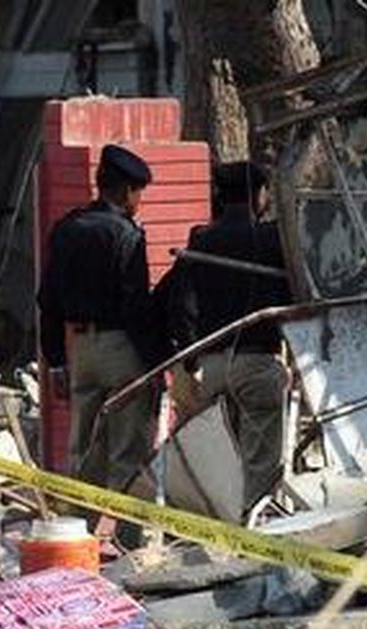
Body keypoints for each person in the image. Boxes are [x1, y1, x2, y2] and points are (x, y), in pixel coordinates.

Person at [168, 161, 293, 517]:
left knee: (221, 459)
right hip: (258, 362)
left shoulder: (201, 240)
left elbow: (181, 304)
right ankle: (251, 528)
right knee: (260, 463)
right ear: (258, 195)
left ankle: (220, 526)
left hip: (212, 366)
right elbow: (293, 296)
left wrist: (191, 360)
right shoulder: (272, 239)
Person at [37, 144, 165, 491]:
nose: (139, 201)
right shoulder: (127, 235)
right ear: (127, 191)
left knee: (83, 452)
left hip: (81, 352)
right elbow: (135, 306)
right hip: (122, 350)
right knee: (128, 455)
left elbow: (48, 299)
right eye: (138, 193)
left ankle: (77, 522)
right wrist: (156, 362)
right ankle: (128, 526)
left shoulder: (67, 228)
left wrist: (56, 361)